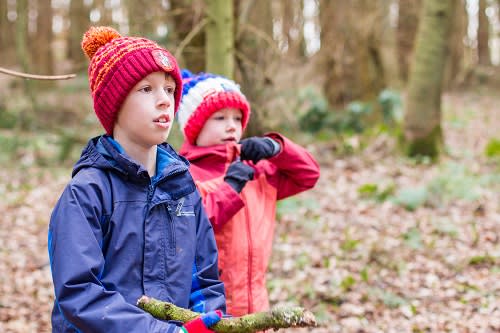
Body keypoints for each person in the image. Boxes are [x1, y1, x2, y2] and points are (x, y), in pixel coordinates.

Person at [48, 27, 226, 333]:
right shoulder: (88, 192)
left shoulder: (182, 188)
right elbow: (79, 293)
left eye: (170, 90)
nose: (164, 101)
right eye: (147, 89)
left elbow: (204, 280)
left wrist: (206, 322)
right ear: (114, 103)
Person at [177, 70, 320, 317]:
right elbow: (189, 225)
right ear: (195, 127)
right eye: (219, 118)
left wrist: (277, 148)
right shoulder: (184, 174)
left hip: (256, 304)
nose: (231, 126)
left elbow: (308, 174)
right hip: (209, 307)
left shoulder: (257, 172)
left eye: (237, 118)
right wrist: (229, 189)